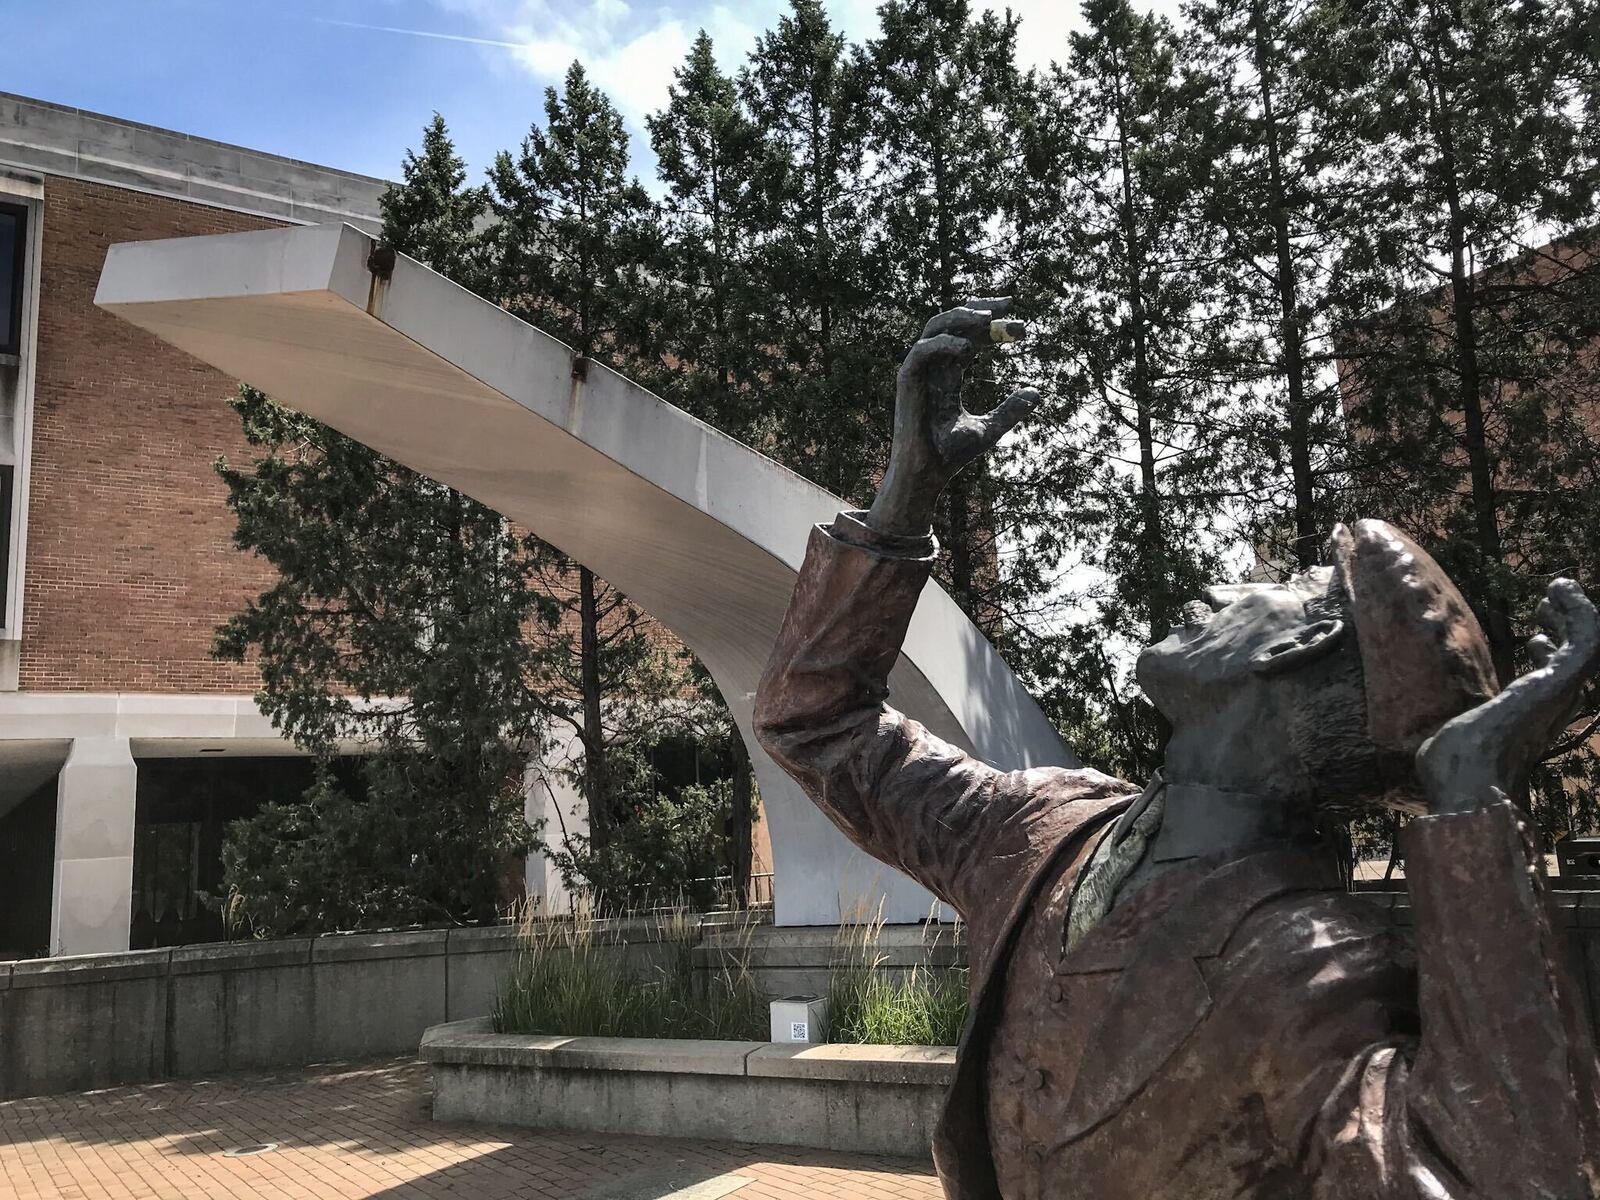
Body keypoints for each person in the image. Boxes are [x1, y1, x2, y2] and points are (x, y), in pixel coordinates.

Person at [753, 298, 1600, 1199]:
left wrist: (1471, 804)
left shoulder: (1310, 969)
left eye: (1285, 583)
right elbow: (816, 722)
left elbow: (1516, 1179)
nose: (1231, 582)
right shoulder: (1044, 827)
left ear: (1292, 651)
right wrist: (902, 503)